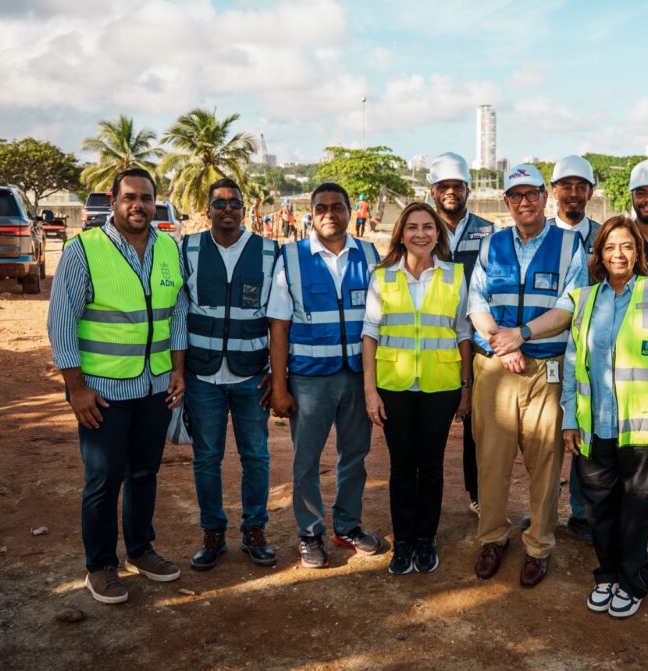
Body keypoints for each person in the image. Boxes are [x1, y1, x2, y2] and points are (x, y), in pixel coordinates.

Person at [47, 167, 187, 604]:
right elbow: (61, 320)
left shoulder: (169, 247)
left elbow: (178, 314)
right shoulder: (84, 249)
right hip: (102, 392)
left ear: (155, 202)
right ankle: (100, 567)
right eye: (130, 197)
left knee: (144, 473)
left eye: (146, 198)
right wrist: (76, 388)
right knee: (104, 479)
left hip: (155, 386)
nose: (138, 205)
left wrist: (178, 370)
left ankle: (141, 550)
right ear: (114, 201)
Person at [560, 216, 648, 618]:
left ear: (638, 252)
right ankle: (607, 575)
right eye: (610, 247)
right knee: (599, 510)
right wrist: (569, 419)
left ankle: (632, 581)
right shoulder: (584, 300)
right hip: (594, 427)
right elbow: (572, 366)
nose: (618, 254)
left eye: (627, 246)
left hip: (644, 431)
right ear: (599, 253)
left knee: (638, 511)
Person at [468, 163, 587, 587]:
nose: (524, 202)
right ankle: (492, 538)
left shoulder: (570, 245)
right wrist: (504, 345)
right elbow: (476, 302)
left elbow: (570, 305)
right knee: (492, 460)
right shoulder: (492, 244)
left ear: (544, 197)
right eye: (516, 195)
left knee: (545, 462)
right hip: (496, 366)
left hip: (546, 369)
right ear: (507, 202)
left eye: (532, 194)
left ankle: (539, 545)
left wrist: (521, 335)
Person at [267, 182, 382, 568]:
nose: (330, 214)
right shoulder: (291, 257)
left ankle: (347, 525)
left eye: (337, 207)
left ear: (351, 211)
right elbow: (279, 326)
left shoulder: (369, 255)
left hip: (358, 377)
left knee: (355, 456)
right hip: (309, 380)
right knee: (307, 459)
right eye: (321, 208)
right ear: (310, 214)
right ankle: (310, 531)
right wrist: (279, 386)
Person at [362, 202, 473, 574]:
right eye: (412, 227)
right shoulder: (382, 277)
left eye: (428, 227)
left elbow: (463, 333)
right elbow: (370, 334)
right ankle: (403, 541)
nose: (420, 234)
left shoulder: (455, 275)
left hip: (441, 386)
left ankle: (426, 539)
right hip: (394, 386)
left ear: (438, 234)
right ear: (401, 234)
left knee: (431, 465)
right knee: (401, 467)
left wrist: (466, 388)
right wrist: (370, 391)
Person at [181, 178, 279, 571]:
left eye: (234, 203)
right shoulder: (187, 248)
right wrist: (178, 371)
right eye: (219, 203)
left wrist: (276, 371)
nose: (227, 209)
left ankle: (254, 529)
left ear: (245, 209)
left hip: (251, 375)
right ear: (207, 209)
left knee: (256, 456)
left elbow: (279, 317)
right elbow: (177, 312)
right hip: (202, 376)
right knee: (207, 458)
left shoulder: (269, 251)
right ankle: (213, 533)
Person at [426, 152, 495, 517]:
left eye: (457, 186)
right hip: (432, 340)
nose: (451, 192)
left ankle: (478, 492)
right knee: (429, 425)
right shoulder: (421, 228)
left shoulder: (489, 232)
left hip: (476, 339)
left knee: (476, 426)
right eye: (444, 186)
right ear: (432, 191)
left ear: (468, 189)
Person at [542, 154, 601, 545]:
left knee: (585, 432)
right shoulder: (540, 236)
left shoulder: (605, 236)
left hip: (591, 355)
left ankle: (582, 512)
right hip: (549, 352)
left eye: (581, 186)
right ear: (554, 191)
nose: (574, 193)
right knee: (547, 435)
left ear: (591, 192)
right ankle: (544, 511)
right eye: (566, 186)